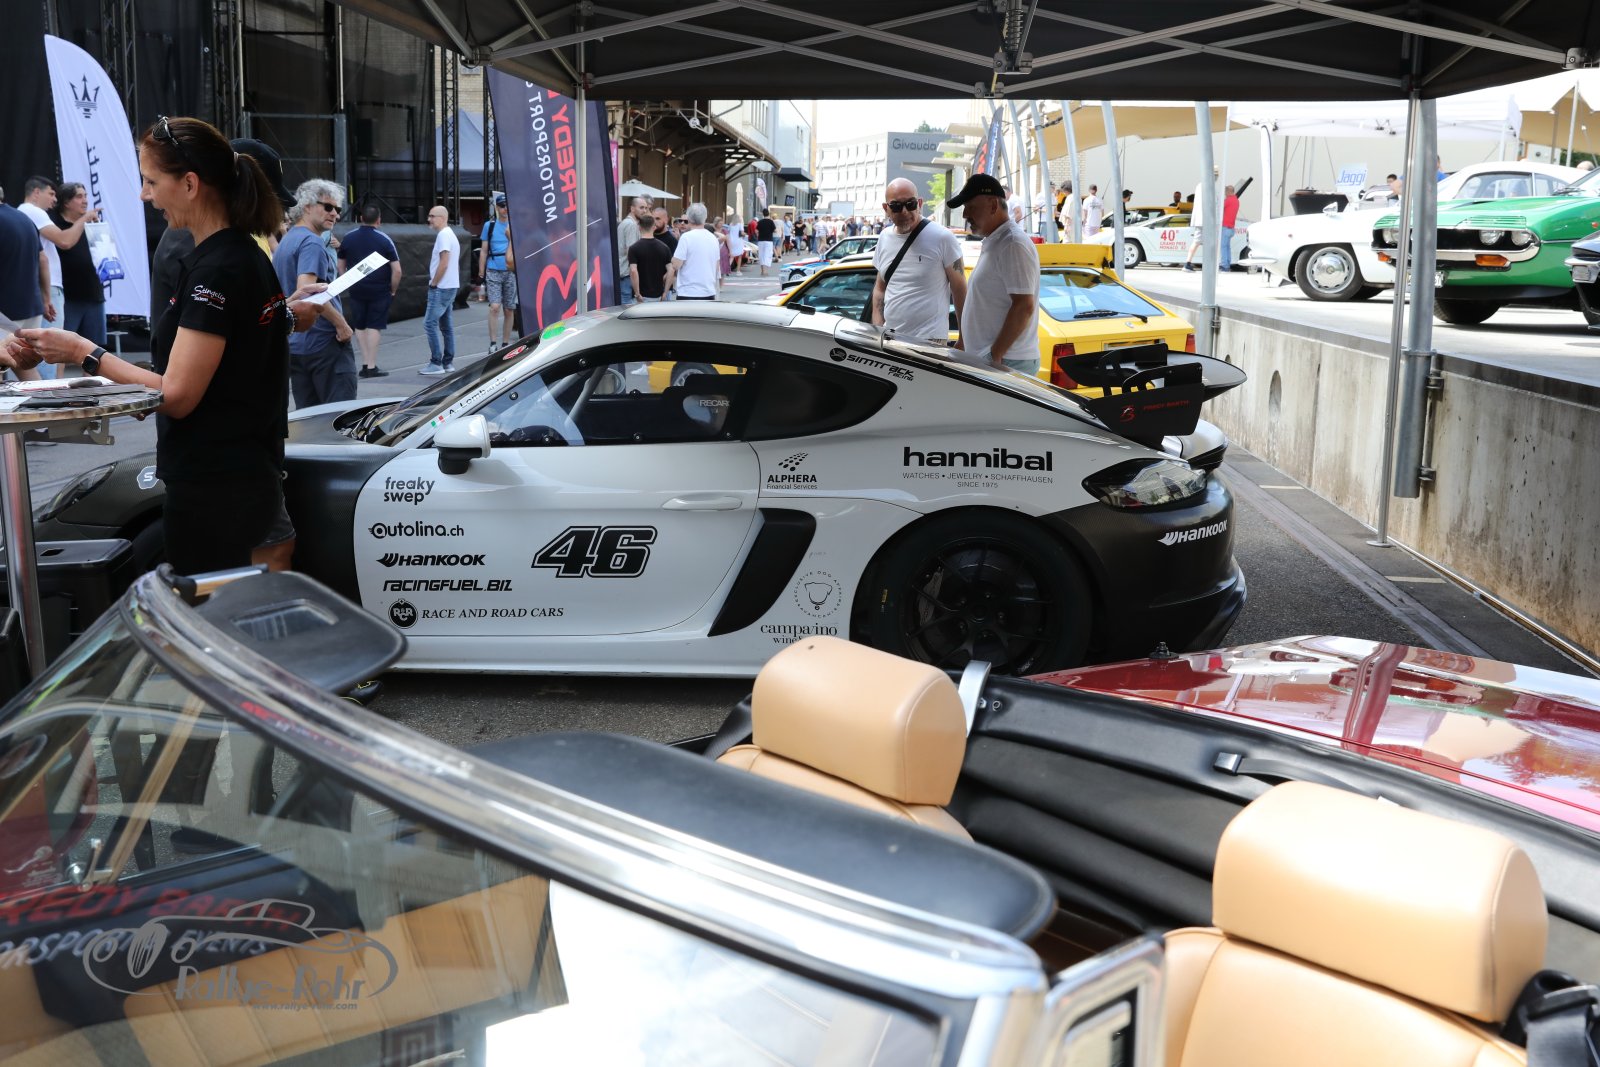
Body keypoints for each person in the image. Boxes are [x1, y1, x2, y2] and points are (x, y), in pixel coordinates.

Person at [3, 116, 323, 574]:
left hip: (218, 481)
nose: (144, 195)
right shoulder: (233, 257)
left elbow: (178, 394)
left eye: (151, 181)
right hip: (236, 472)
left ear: (190, 184)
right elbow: (214, 369)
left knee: (215, 607)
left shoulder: (218, 268)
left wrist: (82, 353)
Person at [274, 179, 356, 405]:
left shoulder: (287, 240)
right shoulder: (312, 242)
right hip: (323, 343)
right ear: (307, 206)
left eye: (337, 209)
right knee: (339, 416)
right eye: (328, 207)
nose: (335, 214)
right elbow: (307, 293)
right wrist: (341, 324)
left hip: (296, 343)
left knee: (310, 417)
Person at [948, 173, 1039, 375]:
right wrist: (965, 345)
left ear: (993, 205)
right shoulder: (998, 240)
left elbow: (1024, 305)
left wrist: (995, 355)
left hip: (1007, 362)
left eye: (970, 207)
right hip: (995, 360)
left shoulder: (1012, 243)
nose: (965, 215)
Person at [870, 179, 966, 346]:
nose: (904, 211)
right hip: (890, 340)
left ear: (919, 204)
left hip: (930, 342)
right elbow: (880, 288)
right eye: (896, 206)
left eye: (910, 204)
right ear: (886, 209)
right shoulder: (884, 238)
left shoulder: (942, 237)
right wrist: (877, 330)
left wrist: (963, 339)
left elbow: (960, 289)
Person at [20, 177, 88, 378]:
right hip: (48, 287)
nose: (54, 199)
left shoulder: (22, 213)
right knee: (50, 345)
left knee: (44, 347)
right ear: (36, 192)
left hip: (41, 287)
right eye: (51, 193)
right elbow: (64, 241)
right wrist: (84, 219)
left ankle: (48, 388)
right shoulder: (33, 211)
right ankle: (47, 390)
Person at [338, 203, 402, 377]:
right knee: (375, 325)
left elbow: (340, 265)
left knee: (359, 325)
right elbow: (397, 270)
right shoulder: (384, 240)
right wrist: (393, 289)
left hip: (357, 289)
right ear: (379, 220)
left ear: (361, 218)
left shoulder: (348, 237)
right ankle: (372, 366)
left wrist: (349, 282)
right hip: (379, 289)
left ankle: (365, 363)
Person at [50, 182, 106, 351]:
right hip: (68, 298)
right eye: (79, 196)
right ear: (66, 202)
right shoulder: (55, 224)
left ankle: (91, 372)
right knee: (62, 349)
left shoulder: (91, 224)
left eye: (86, 196)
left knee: (94, 351)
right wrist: (84, 220)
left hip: (94, 295)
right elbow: (65, 242)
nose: (85, 201)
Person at [0, 186, 47, 381]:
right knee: (24, 366)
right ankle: (44, 401)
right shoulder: (24, 219)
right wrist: (45, 298)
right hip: (31, 309)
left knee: (5, 361)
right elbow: (43, 259)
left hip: (5, 312)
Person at [421, 205, 459, 374]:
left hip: (441, 287)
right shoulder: (450, 234)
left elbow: (444, 262)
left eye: (432, 216)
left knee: (429, 323)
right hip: (450, 285)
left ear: (442, 218)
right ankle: (447, 363)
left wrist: (434, 283)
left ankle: (436, 363)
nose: (429, 219)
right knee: (446, 325)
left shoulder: (443, 235)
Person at [477, 194, 516, 352]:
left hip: (511, 270)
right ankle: (493, 343)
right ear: (497, 208)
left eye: (507, 206)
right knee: (494, 307)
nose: (505, 209)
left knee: (509, 308)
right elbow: (484, 250)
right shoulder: (489, 226)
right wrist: (481, 273)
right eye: (502, 206)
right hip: (493, 269)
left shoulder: (514, 225)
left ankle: (505, 343)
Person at [664, 202, 719, 300]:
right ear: (705, 218)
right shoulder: (713, 238)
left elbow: (676, 265)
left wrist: (672, 259)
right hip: (708, 291)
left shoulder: (686, 237)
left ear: (689, 218)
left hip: (688, 292)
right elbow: (716, 266)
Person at [628, 212, 672, 302]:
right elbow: (671, 270)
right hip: (658, 295)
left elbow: (633, 271)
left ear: (639, 227)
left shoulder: (633, 248)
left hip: (641, 296)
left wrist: (637, 293)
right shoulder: (664, 247)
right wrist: (665, 292)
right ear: (654, 227)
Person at [1183, 166, 1218, 272]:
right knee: (1210, 242)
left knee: (1197, 241)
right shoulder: (1209, 185)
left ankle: (1188, 263)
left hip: (1200, 219)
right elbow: (1213, 202)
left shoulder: (1200, 185)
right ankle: (1209, 264)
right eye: (1216, 175)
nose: (1216, 177)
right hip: (1206, 219)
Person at [616, 195, 649, 304]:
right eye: (641, 207)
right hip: (627, 273)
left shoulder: (625, 223)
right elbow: (632, 252)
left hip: (623, 272)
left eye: (646, 208)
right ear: (632, 208)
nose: (644, 211)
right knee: (626, 308)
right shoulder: (631, 225)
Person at [1220, 184, 1241, 272]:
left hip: (1225, 226)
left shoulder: (1228, 200)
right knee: (1227, 247)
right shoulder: (1236, 200)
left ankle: (1224, 265)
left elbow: (1219, 207)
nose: (1225, 194)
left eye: (1225, 192)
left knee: (1223, 247)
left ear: (1229, 191)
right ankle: (1227, 264)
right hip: (1231, 227)